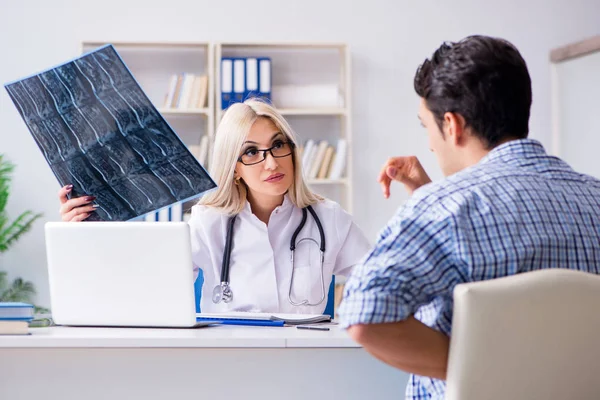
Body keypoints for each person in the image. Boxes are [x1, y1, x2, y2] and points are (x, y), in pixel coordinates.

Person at [337, 34, 600, 400]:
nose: (429, 143)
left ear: (452, 124)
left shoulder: (441, 207)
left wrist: (494, 366)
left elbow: (365, 314)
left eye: (425, 126)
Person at [59, 98, 371, 314]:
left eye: (278, 145)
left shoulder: (328, 219)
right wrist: (85, 236)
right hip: (227, 366)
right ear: (233, 167)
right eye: (251, 152)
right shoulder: (207, 223)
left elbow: (382, 280)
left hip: (305, 367)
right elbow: (138, 286)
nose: (271, 162)